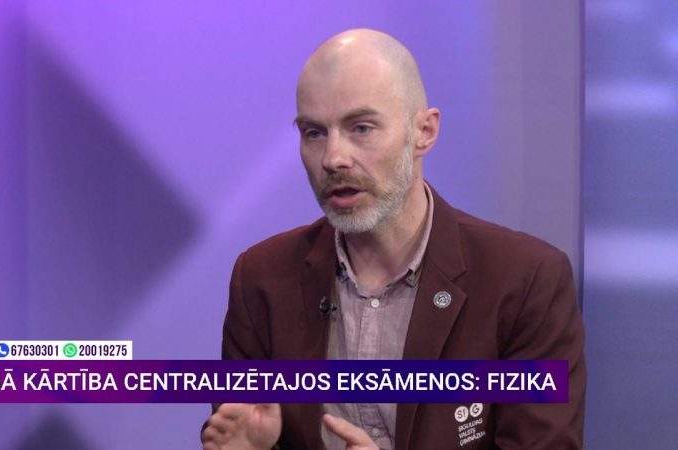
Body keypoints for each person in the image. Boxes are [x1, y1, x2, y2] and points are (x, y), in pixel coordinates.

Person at [201, 28, 585, 450]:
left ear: (424, 131)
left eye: (361, 128)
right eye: (314, 133)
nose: (333, 158)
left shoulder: (524, 281)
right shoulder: (261, 278)